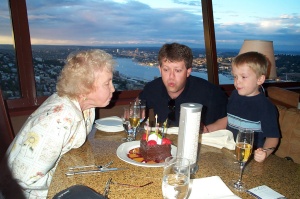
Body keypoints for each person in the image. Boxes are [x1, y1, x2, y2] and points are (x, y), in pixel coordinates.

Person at [2, 49, 115, 198]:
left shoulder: (87, 107)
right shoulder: (59, 120)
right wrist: (68, 178)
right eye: (107, 83)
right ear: (84, 89)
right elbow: (23, 178)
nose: (113, 89)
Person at [139, 43, 228, 132]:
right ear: (160, 69)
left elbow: (229, 119)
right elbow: (138, 104)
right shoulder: (152, 88)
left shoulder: (210, 92)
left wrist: (207, 130)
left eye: (177, 71)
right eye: (166, 70)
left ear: (188, 71)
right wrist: (135, 110)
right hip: (165, 142)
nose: (171, 76)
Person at [227, 51, 280, 163]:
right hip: (229, 151)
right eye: (235, 76)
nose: (237, 81)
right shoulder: (234, 95)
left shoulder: (266, 107)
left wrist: (265, 152)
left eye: (243, 77)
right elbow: (229, 120)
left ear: (259, 80)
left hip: (249, 158)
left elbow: (273, 137)